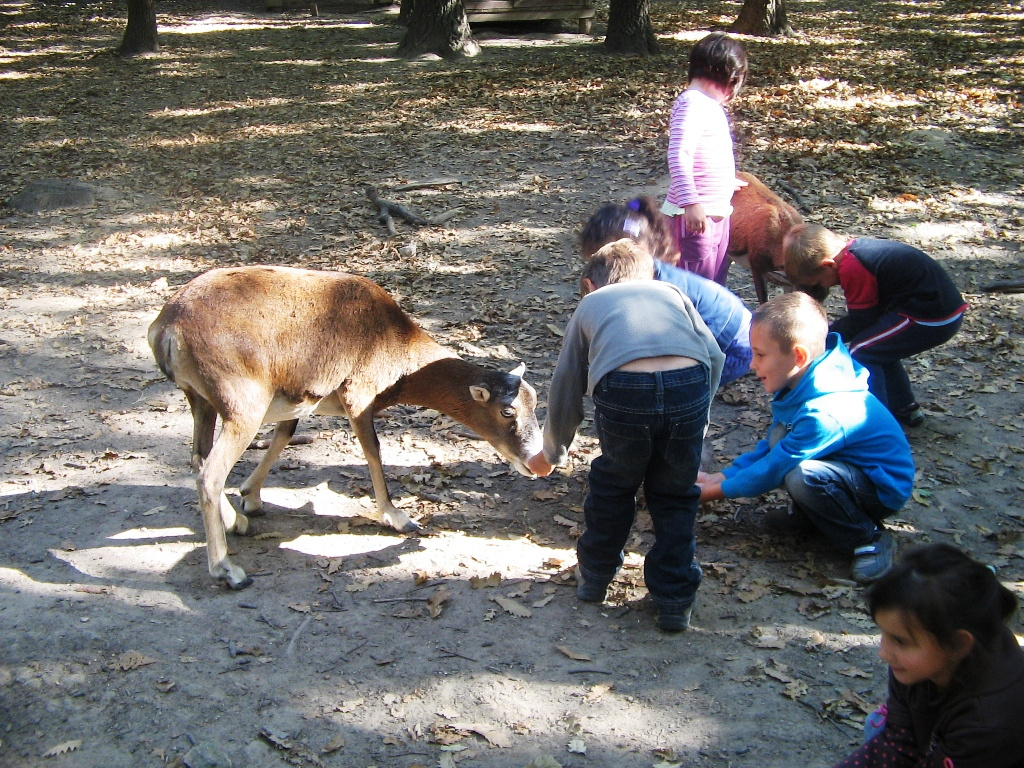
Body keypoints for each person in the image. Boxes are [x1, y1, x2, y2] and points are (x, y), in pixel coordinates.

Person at [528, 239, 724, 632]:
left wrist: (553, 450)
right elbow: (715, 356)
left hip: (623, 387)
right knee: (674, 492)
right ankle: (674, 598)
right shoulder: (672, 292)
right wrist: (697, 421)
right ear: (650, 275)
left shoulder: (590, 305)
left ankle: (595, 578)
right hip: (690, 382)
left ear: (588, 285)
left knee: (615, 482)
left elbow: (566, 384)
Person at [697, 292, 915, 583]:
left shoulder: (824, 411)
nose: (751, 364)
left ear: (798, 356)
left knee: (803, 475)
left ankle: (869, 537)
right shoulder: (803, 383)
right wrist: (720, 476)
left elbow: (777, 466)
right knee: (783, 442)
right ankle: (814, 518)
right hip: (847, 472)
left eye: (760, 354)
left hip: (879, 489)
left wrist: (714, 491)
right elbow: (774, 447)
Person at [834, 543, 1024, 768]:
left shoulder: (987, 723)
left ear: (958, 644)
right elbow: (898, 742)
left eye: (900, 641)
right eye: (885, 634)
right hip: (945, 743)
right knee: (876, 726)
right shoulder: (927, 659)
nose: (884, 652)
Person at [783, 223, 967, 427]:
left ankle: (875, 423)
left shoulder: (853, 267)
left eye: (817, 283)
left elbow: (861, 322)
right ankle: (905, 408)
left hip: (931, 315)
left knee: (862, 351)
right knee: (878, 348)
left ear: (828, 265)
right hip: (928, 309)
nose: (821, 288)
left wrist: (822, 337)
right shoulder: (853, 252)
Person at [579, 198, 752, 386]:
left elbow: (651, 342)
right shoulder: (640, 273)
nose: (598, 272)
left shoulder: (655, 289)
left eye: (603, 265)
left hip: (734, 345)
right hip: (726, 330)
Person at [662, 32, 748, 286]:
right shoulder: (691, 103)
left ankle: (707, 324)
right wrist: (691, 202)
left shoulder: (708, 104)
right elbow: (679, 155)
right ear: (727, 77)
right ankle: (688, 325)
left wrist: (722, 182)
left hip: (714, 210)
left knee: (713, 280)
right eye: (735, 83)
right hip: (695, 215)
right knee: (695, 282)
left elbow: (705, 154)